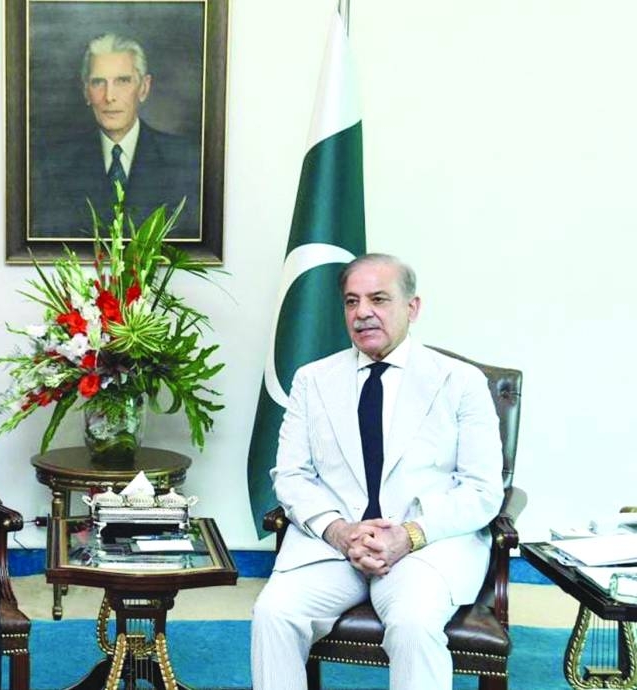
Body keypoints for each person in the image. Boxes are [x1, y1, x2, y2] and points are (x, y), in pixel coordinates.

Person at [251, 253, 505, 690]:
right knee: (274, 613)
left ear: (413, 307)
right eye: (352, 301)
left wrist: (408, 535)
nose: (362, 312)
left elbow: (482, 489)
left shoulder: (459, 381)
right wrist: (340, 531)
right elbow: (291, 475)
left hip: (427, 546)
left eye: (378, 299)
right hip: (334, 546)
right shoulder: (313, 380)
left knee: (411, 622)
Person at [31, 32, 201, 239]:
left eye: (122, 81)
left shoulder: (186, 160)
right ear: (86, 92)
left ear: (144, 88)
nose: (109, 96)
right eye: (98, 82)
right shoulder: (53, 165)